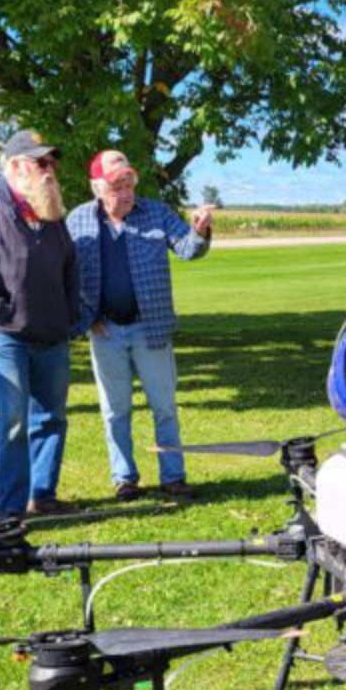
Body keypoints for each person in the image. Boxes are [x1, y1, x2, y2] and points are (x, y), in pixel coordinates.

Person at [67, 150, 214, 501]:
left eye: (129, 183)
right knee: (115, 411)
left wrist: (200, 230)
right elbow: (65, 276)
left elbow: (188, 249)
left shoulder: (157, 212)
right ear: (97, 187)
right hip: (105, 332)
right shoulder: (77, 221)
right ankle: (125, 479)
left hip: (151, 329)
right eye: (117, 185)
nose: (126, 191)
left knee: (164, 406)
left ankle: (173, 477)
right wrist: (87, 317)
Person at [0, 130, 80, 520]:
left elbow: (69, 262)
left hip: (52, 332)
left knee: (52, 417)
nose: (49, 169)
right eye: (41, 162)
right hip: (6, 333)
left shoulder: (49, 204)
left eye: (51, 162)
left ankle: (42, 495)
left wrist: (72, 311)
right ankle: (9, 509)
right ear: (14, 166)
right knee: (13, 419)